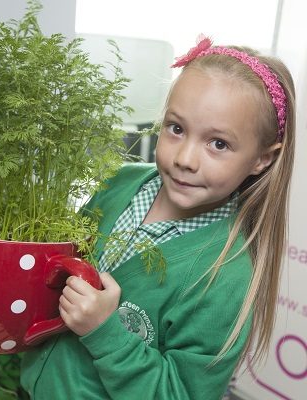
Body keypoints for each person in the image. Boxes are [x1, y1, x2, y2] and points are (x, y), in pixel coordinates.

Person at [20, 35, 295, 399]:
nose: (185, 158)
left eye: (218, 144)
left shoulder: (225, 277)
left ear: (263, 158)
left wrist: (105, 331)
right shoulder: (120, 181)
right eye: (176, 128)